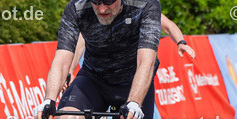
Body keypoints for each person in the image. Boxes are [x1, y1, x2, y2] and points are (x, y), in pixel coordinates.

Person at [63, 13, 194, 84]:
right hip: (106, 70)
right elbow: (81, 40)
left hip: (135, 70)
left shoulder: (141, 7)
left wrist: (181, 42)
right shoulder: (100, 11)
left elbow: (168, 26)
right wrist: (69, 71)